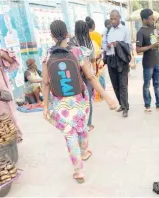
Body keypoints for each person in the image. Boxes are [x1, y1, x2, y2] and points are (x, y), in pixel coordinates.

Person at [42, 20, 116, 183]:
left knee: (69, 134)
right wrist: (108, 98)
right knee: (82, 128)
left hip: (60, 103)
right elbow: (90, 76)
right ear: (67, 34)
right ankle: (84, 151)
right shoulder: (77, 52)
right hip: (80, 99)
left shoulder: (47, 55)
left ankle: (79, 171)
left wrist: (45, 106)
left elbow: (46, 82)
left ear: (52, 35)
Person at [136, 9, 159, 113]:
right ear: (144, 19)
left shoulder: (153, 28)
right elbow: (138, 50)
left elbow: (154, 42)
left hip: (156, 61)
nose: (152, 19)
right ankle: (147, 105)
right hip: (148, 63)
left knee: (157, 84)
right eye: (150, 18)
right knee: (146, 85)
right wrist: (152, 46)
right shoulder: (140, 32)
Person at [102, 10, 131, 117]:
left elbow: (129, 46)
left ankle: (125, 107)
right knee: (115, 84)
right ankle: (121, 104)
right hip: (111, 59)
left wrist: (118, 44)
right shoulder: (107, 30)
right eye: (111, 18)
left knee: (123, 84)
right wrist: (108, 46)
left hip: (122, 60)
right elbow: (103, 45)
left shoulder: (125, 30)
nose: (113, 20)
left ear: (119, 18)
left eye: (115, 18)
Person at [71, 20, 96, 131]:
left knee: (77, 99)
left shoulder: (71, 42)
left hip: (75, 75)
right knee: (88, 99)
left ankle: (78, 123)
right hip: (87, 75)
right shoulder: (89, 42)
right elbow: (93, 58)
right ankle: (88, 124)